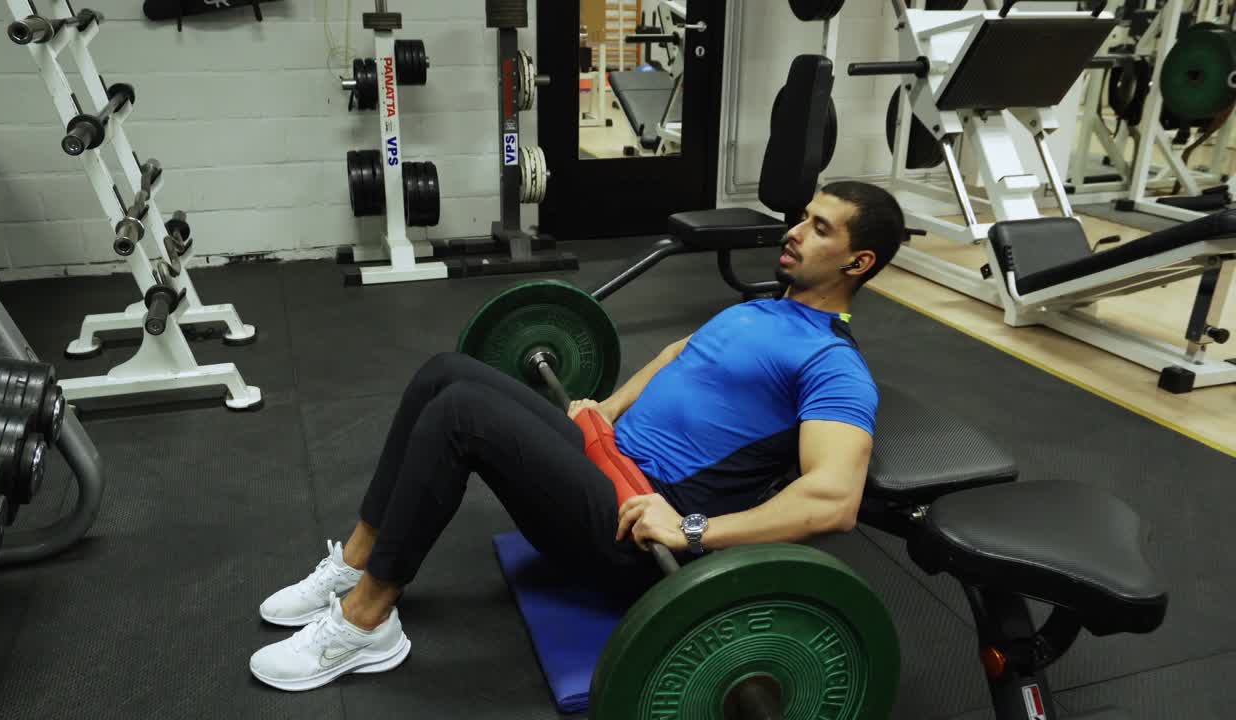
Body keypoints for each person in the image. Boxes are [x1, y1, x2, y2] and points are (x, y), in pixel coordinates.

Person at [248, 181, 907, 692]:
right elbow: (681, 353)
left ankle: (367, 623)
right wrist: (608, 406)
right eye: (801, 217)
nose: (793, 233)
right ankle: (356, 563)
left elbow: (833, 498)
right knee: (443, 374)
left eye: (819, 229)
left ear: (859, 260)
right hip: (604, 459)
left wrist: (694, 530)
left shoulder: (834, 364)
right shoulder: (762, 308)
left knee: (462, 415)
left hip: (633, 530)